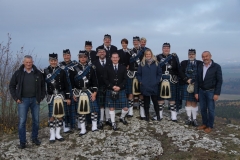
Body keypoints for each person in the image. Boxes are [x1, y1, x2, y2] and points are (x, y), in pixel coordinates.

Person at [9, 55, 45, 149]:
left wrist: (41, 97)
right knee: (22, 122)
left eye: (30, 62)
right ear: (23, 62)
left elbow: (42, 86)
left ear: (32, 62)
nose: (28, 64)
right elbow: (12, 86)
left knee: (36, 121)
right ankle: (22, 142)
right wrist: (16, 98)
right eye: (27, 62)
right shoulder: (18, 73)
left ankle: (34, 138)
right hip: (22, 100)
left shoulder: (38, 73)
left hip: (35, 100)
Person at [42, 53, 71, 143]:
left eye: (55, 60)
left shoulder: (62, 71)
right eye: (52, 60)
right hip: (51, 96)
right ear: (49, 61)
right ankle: (52, 134)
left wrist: (68, 97)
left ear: (57, 61)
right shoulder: (45, 71)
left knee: (60, 115)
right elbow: (42, 85)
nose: (53, 62)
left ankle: (58, 133)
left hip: (60, 96)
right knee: (51, 116)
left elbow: (67, 85)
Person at [69, 51, 99, 136]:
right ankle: (83, 129)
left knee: (94, 110)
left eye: (84, 57)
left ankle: (94, 126)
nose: (83, 58)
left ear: (87, 58)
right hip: (79, 92)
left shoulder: (91, 67)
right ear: (78, 57)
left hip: (89, 91)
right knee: (81, 111)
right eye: (81, 57)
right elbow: (71, 83)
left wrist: (94, 93)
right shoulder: (73, 69)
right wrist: (74, 94)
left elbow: (95, 82)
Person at [195, 51, 223, 133]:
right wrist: (196, 92)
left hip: (211, 91)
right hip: (201, 91)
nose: (205, 58)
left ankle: (210, 126)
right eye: (203, 57)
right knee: (203, 109)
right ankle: (204, 123)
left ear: (210, 56)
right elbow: (197, 80)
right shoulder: (200, 66)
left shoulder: (216, 67)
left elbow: (219, 81)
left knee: (211, 110)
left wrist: (217, 93)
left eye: (206, 56)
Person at [156, 42, 181, 122]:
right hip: (161, 78)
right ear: (162, 48)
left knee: (172, 98)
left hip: (171, 79)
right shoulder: (157, 57)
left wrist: (177, 77)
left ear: (169, 49)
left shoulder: (174, 57)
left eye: (167, 48)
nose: (166, 49)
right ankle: (159, 114)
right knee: (160, 97)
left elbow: (178, 68)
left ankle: (173, 115)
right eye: (164, 48)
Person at [104, 52, 128, 130]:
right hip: (111, 89)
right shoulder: (107, 67)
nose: (115, 59)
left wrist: (120, 87)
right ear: (111, 58)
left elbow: (125, 79)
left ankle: (122, 117)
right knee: (112, 107)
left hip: (121, 90)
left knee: (125, 108)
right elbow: (105, 79)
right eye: (113, 57)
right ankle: (113, 123)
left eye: (116, 57)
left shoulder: (123, 67)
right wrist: (112, 86)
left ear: (118, 58)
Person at [136, 49, 162, 121]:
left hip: (154, 85)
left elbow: (159, 74)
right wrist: (141, 81)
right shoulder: (142, 64)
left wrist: (156, 81)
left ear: (151, 55)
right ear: (145, 55)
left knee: (155, 102)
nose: (148, 55)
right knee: (146, 102)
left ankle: (158, 116)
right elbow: (138, 74)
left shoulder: (156, 63)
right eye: (146, 54)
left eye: (149, 54)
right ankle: (147, 116)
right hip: (145, 86)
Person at [179, 49, 202, 126]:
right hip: (186, 84)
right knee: (188, 101)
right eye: (189, 54)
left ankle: (194, 119)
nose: (191, 55)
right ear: (188, 55)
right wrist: (187, 79)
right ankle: (189, 118)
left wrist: (196, 81)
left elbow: (201, 73)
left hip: (196, 84)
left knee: (195, 101)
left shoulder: (200, 63)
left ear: (195, 55)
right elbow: (181, 72)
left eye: (192, 54)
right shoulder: (184, 63)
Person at [127, 36, 147, 119]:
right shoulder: (129, 52)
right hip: (131, 73)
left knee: (141, 93)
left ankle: (142, 111)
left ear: (139, 42)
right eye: (134, 41)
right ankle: (130, 111)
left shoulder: (144, 51)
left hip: (141, 73)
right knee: (131, 93)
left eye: (136, 41)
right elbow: (127, 61)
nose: (135, 42)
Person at [59, 49, 78, 133]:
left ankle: (73, 124)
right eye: (65, 55)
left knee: (73, 108)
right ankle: (65, 125)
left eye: (68, 55)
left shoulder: (75, 65)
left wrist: (75, 91)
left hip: (73, 88)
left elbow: (77, 78)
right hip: (63, 90)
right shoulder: (60, 65)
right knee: (65, 108)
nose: (66, 57)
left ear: (70, 56)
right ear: (63, 56)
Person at [92, 47, 112, 129]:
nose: (102, 53)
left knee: (108, 103)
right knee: (101, 104)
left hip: (108, 85)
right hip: (99, 85)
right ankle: (100, 120)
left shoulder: (110, 62)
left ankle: (108, 119)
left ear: (106, 53)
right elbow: (93, 77)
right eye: (100, 52)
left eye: (103, 51)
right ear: (97, 54)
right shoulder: (94, 63)